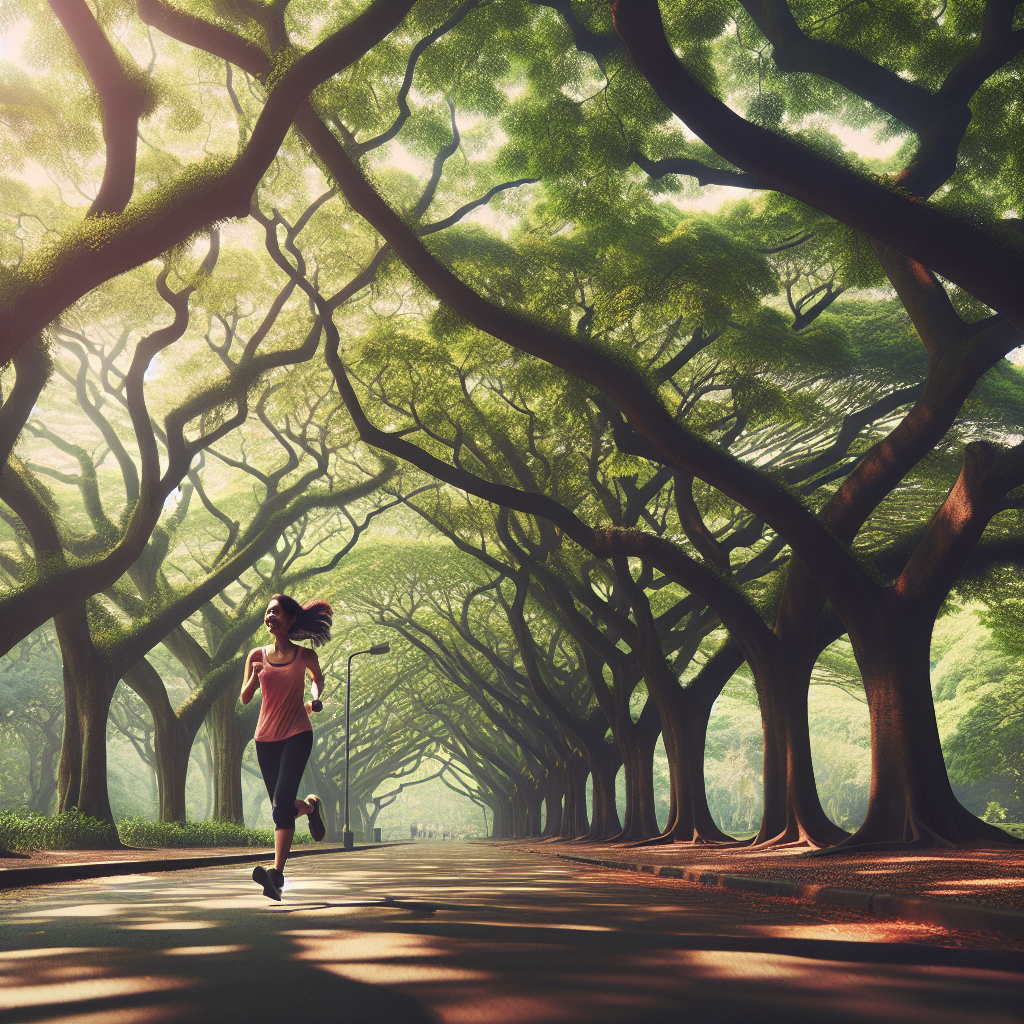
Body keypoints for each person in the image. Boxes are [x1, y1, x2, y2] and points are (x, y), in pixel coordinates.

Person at [241, 593, 332, 901]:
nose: (270, 616)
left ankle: (277, 876)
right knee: (281, 807)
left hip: (297, 733)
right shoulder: (257, 655)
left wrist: (316, 696)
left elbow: (317, 679)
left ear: (291, 619)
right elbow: (244, 697)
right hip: (264, 738)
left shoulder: (305, 655)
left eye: (276, 612)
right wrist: (254, 679)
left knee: (280, 804)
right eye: (268, 612)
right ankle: (309, 807)